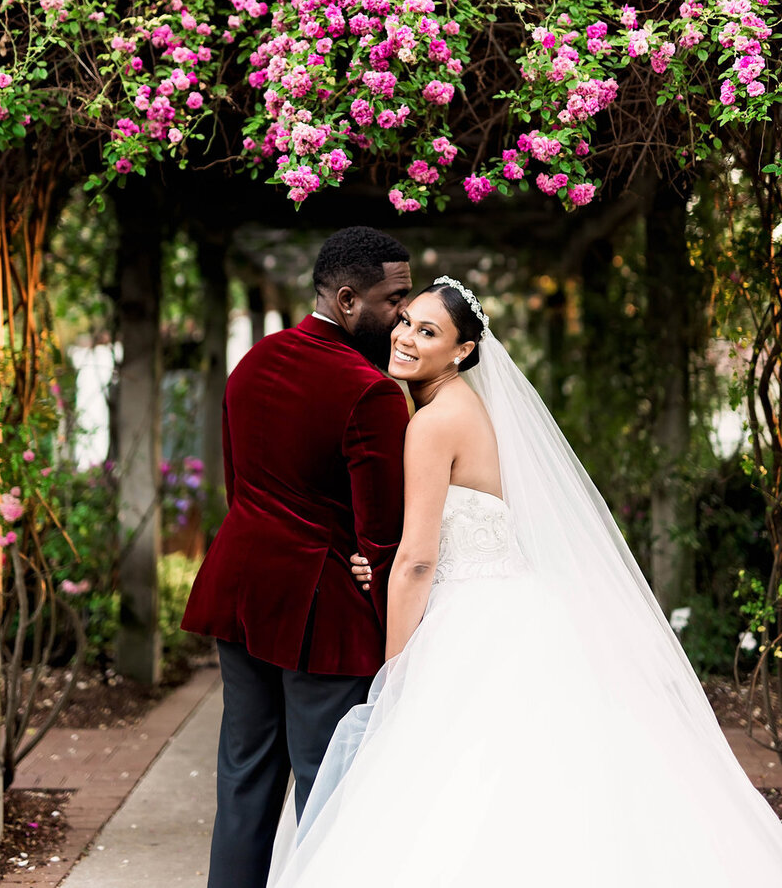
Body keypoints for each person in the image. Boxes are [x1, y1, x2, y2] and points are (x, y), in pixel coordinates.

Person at [268, 277, 782, 887]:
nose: (405, 336)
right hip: (515, 606)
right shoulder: (464, 408)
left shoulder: (432, 425)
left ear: (462, 351)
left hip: (466, 620)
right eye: (405, 320)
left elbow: (418, 561)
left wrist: (395, 673)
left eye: (427, 331)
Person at [181, 226, 412, 888]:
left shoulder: (251, 363)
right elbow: (383, 534)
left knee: (245, 779)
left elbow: (238, 487)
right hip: (323, 610)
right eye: (394, 299)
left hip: (241, 591)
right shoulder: (368, 392)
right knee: (328, 788)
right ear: (347, 300)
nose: (404, 313)